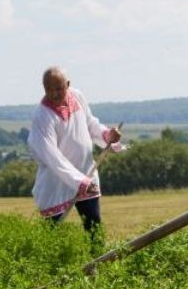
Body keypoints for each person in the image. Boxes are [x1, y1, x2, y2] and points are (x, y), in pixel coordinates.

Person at [27, 66, 122, 240]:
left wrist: (108, 135)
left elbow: (91, 124)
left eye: (59, 88)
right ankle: (53, 266)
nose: (54, 93)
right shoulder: (42, 115)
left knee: (94, 227)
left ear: (68, 84)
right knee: (52, 234)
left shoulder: (77, 96)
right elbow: (51, 157)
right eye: (49, 89)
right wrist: (79, 181)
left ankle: (98, 264)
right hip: (57, 181)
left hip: (86, 171)